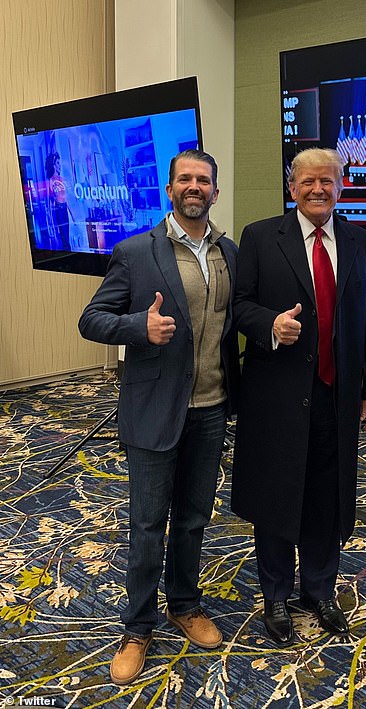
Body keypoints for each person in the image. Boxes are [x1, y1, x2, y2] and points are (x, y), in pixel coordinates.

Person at [78, 149, 240, 685]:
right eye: (185, 179)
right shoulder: (135, 251)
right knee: (148, 526)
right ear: (170, 190)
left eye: (204, 181)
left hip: (211, 409)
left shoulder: (228, 252)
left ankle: (184, 603)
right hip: (153, 411)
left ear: (215, 192)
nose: (195, 187)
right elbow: (92, 319)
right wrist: (136, 329)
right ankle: (138, 627)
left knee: (194, 518)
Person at [231, 147, 366, 646]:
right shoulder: (259, 237)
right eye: (307, 182)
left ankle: (319, 592)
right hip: (276, 394)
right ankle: (275, 595)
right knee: (279, 494)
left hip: (336, 395)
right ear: (291, 186)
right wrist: (269, 325)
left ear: (340, 186)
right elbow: (237, 307)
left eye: (327, 181)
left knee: (327, 496)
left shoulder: (362, 243)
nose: (317, 190)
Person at [45, 151, 73, 250]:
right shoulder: (51, 180)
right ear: (53, 165)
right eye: (57, 163)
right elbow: (50, 202)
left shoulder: (61, 179)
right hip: (58, 211)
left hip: (64, 209)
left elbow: (65, 197)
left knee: (67, 236)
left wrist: (72, 214)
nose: (59, 165)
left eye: (59, 163)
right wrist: (50, 221)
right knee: (64, 238)